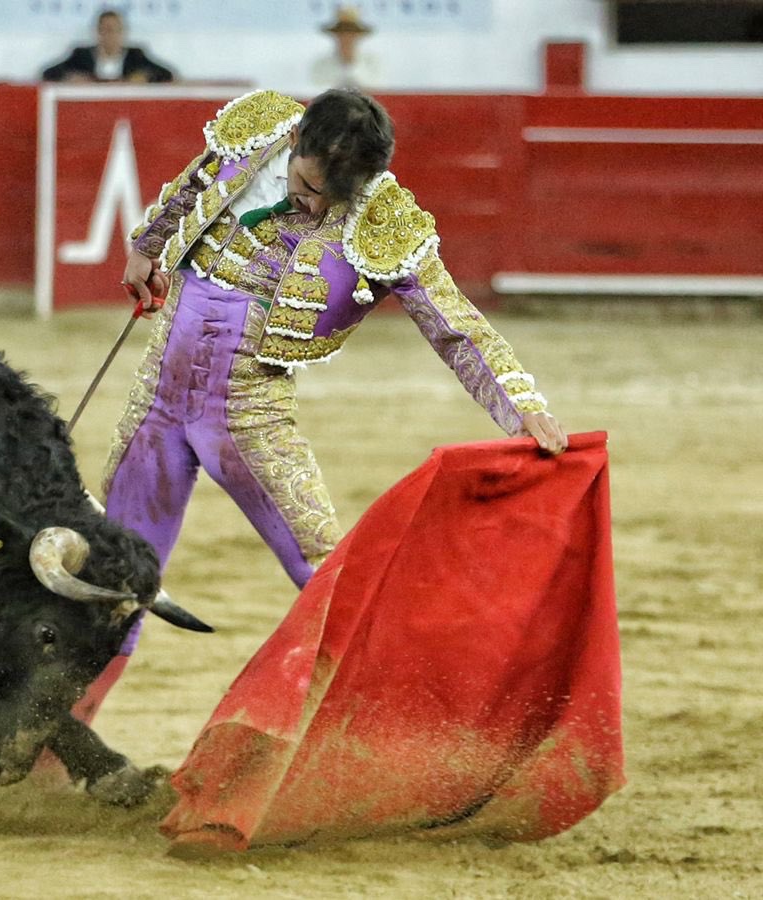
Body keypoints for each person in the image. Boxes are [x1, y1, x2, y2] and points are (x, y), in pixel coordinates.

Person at [80, 89, 568, 721]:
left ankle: (398, 723)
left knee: (325, 571)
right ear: (293, 141)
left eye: (333, 197)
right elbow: (195, 181)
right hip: (158, 403)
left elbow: (457, 327)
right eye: (309, 186)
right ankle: (62, 737)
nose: (313, 206)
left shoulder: (385, 221)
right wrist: (147, 246)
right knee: (111, 580)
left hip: (248, 415)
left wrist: (521, 405)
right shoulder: (258, 130)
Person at [41, 8, 174, 84]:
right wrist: (71, 77)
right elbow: (49, 73)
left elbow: (166, 74)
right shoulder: (81, 55)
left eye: (116, 30)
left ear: (123, 32)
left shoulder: (135, 55)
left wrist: (145, 77)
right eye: (106, 30)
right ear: (98, 32)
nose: (111, 35)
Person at [311, 6, 382, 91]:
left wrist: (351, 63)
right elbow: (318, 90)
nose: (346, 37)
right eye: (342, 32)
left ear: (358, 35)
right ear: (335, 35)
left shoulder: (372, 62)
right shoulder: (320, 65)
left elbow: (375, 89)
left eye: (351, 32)